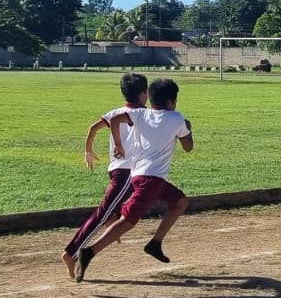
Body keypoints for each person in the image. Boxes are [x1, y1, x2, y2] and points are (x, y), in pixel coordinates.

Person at [74, 77, 194, 282]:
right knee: (128, 221)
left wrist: (118, 145)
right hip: (151, 180)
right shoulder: (176, 118)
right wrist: (187, 128)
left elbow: (115, 120)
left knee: (181, 201)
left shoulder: (140, 113)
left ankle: (155, 243)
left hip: (141, 175)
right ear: (171, 102)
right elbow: (189, 147)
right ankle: (89, 252)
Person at [62, 73, 149, 282]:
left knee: (141, 196)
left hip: (120, 169)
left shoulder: (115, 112)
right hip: (127, 172)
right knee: (101, 214)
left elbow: (93, 128)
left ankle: (114, 218)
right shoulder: (144, 115)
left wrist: (88, 151)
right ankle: (72, 253)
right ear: (143, 94)